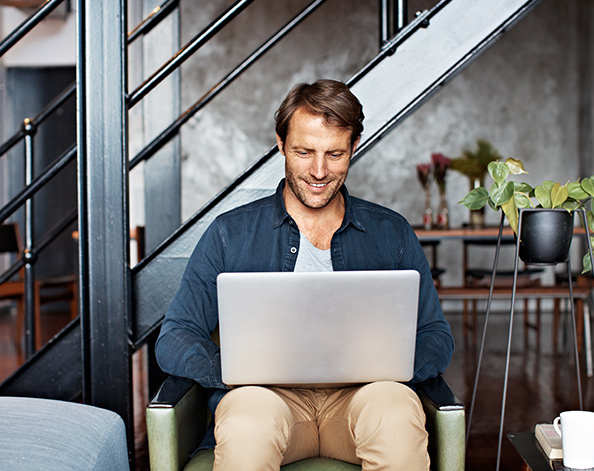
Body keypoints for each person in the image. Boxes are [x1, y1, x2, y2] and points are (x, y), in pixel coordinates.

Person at [155, 79, 454, 471]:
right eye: (303, 151)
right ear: (280, 144)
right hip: (269, 401)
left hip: (362, 401)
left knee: (396, 413)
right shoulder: (230, 234)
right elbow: (174, 337)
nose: (318, 170)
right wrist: (231, 370)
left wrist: (393, 365)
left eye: (334, 154)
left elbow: (436, 335)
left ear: (354, 147)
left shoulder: (391, 232)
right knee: (246, 421)